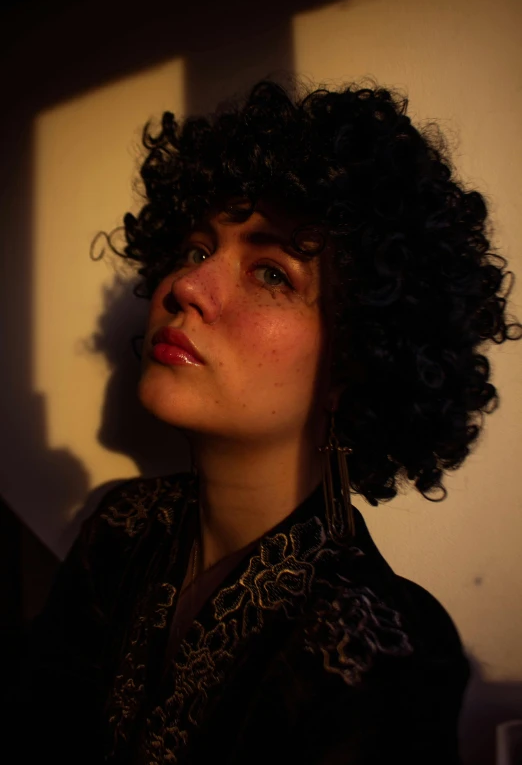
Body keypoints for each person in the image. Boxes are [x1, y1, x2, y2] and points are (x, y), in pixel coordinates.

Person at [20, 77, 522, 764]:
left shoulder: (383, 650)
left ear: (358, 356)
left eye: (273, 273)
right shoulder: (122, 529)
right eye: (196, 249)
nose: (185, 287)